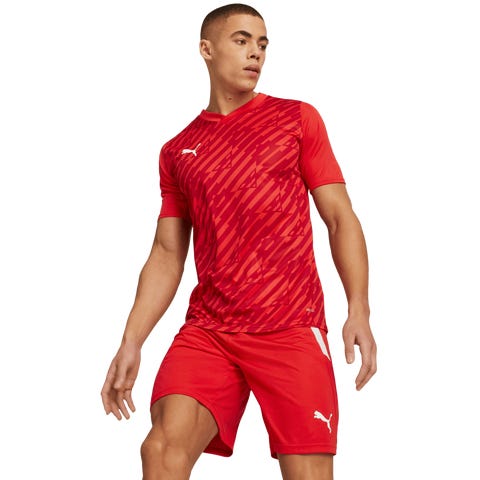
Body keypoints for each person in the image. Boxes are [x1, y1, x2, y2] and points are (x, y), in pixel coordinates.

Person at [101, 4, 377, 479]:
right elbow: (167, 253)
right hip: (210, 330)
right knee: (160, 449)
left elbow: (339, 218)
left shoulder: (296, 119)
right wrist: (132, 340)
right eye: (242, 40)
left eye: (263, 44)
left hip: (290, 326)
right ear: (206, 50)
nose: (256, 53)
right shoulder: (178, 150)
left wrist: (359, 308)